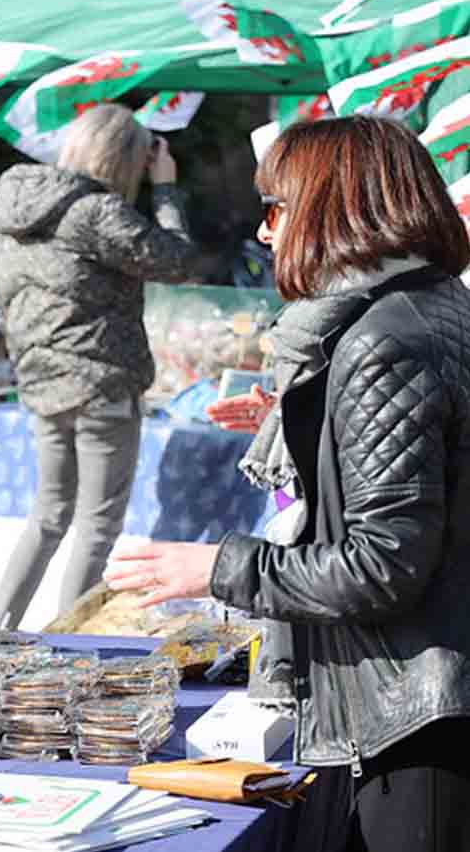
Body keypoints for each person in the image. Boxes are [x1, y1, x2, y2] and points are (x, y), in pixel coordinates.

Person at [105, 115, 470, 852]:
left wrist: (214, 568)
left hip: (412, 709)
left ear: (334, 210)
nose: (268, 234)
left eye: (276, 209)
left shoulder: (384, 339)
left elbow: (382, 564)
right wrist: (305, 420)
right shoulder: (433, 304)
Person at [0, 103, 202, 629]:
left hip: (39, 383)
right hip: (102, 386)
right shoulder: (97, 212)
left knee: (49, 516)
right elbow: (178, 260)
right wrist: (166, 188)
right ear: (128, 160)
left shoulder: (12, 207)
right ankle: (68, 647)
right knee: (96, 526)